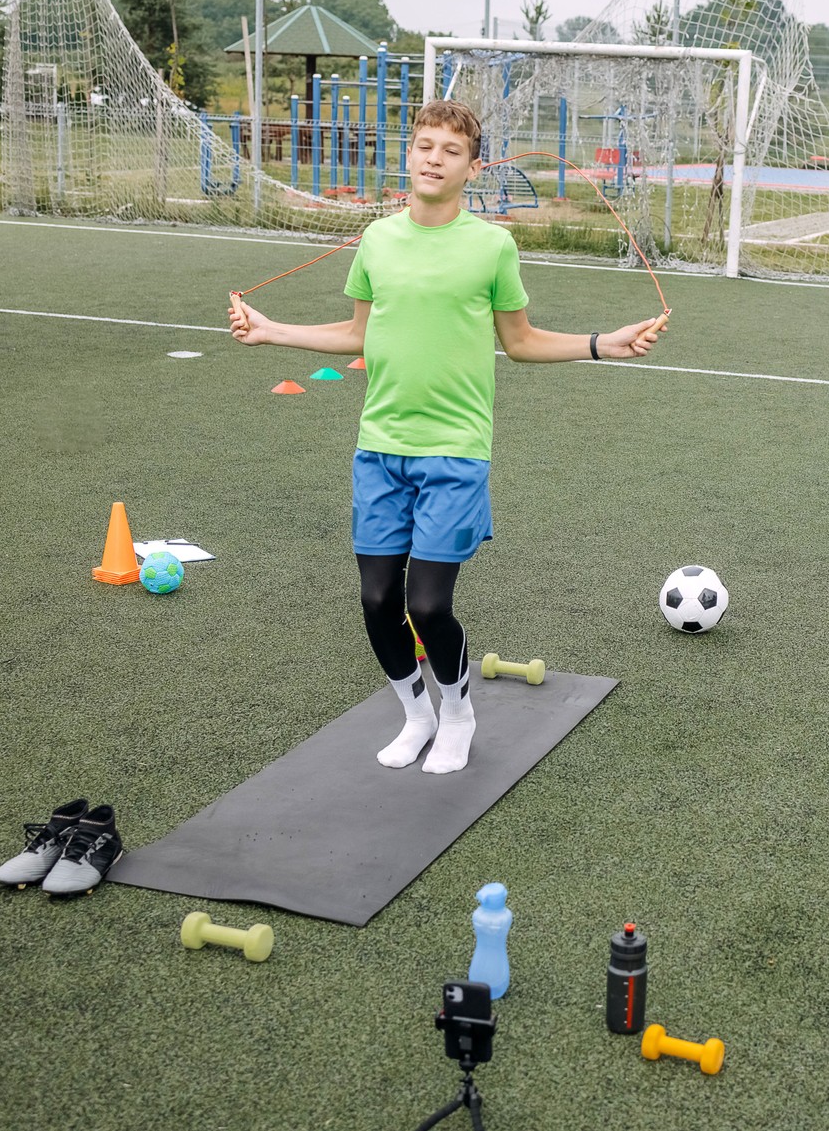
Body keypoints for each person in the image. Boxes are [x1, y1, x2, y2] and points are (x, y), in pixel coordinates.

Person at [229, 99, 665, 773]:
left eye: (450, 150)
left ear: (474, 166)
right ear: (410, 153)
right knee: (377, 599)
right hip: (380, 447)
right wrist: (269, 331)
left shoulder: (491, 245)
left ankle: (457, 712)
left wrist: (602, 343)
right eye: (424, 145)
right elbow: (357, 333)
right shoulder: (378, 239)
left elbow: (520, 342)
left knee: (427, 603)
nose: (433, 157)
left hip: (455, 451)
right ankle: (416, 713)